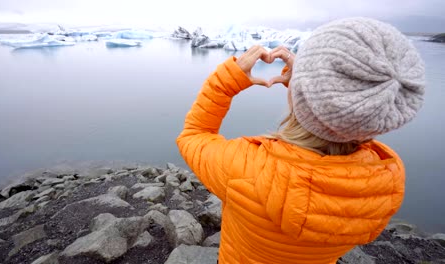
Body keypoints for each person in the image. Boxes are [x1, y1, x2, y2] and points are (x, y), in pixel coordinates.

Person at [176, 17, 425, 264]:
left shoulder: (246, 168)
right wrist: (308, 91)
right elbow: (347, 120)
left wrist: (225, 82)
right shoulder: (386, 177)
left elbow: (194, 135)